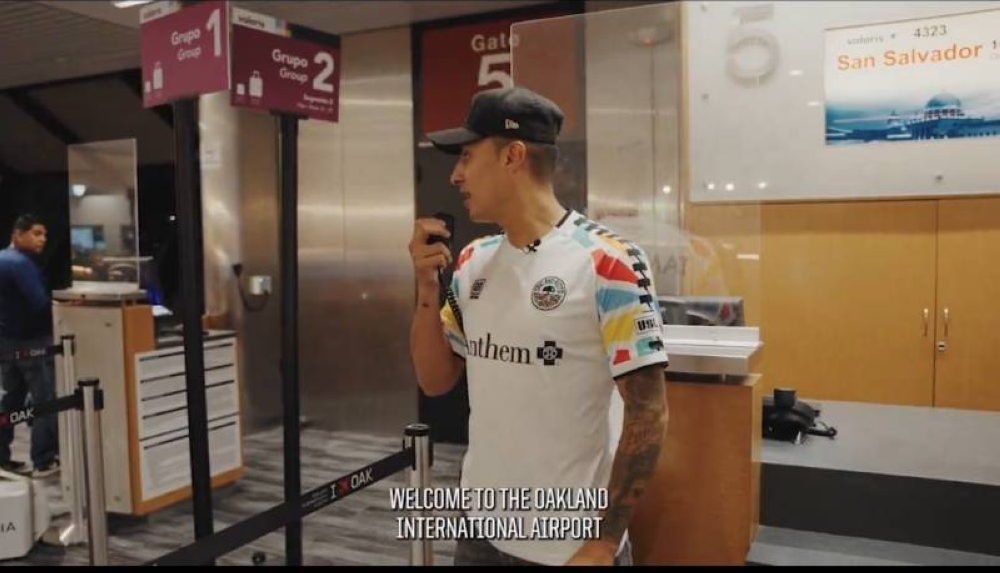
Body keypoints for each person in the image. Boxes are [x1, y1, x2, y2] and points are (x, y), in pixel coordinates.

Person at [408, 87, 669, 566]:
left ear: (512, 156)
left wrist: (604, 542)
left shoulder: (609, 262)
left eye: (467, 156)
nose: (455, 175)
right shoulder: (473, 260)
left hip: (569, 545)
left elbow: (648, 413)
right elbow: (435, 379)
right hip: (480, 531)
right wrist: (427, 290)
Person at [0, 213, 60, 477]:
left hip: (6, 342)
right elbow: (39, 304)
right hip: (33, 344)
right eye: (36, 234)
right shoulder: (20, 264)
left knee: (11, 401)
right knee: (44, 401)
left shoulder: (2, 258)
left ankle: (1, 458)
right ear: (18, 234)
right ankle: (43, 460)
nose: (42, 239)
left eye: (44, 234)